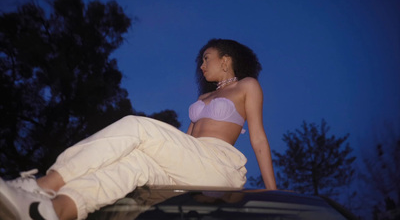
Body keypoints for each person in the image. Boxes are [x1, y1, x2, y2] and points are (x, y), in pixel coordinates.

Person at [0, 38, 276, 220]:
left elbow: (259, 139)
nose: (202, 66)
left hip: (219, 165)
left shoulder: (247, 86)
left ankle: (44, 185)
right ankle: (52, 211)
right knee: (133, 164)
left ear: (226, 60)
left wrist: (272, 192)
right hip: (192, 164)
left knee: (136, 126)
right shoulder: (203, 99)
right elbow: (184, 142)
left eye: (207, 58)